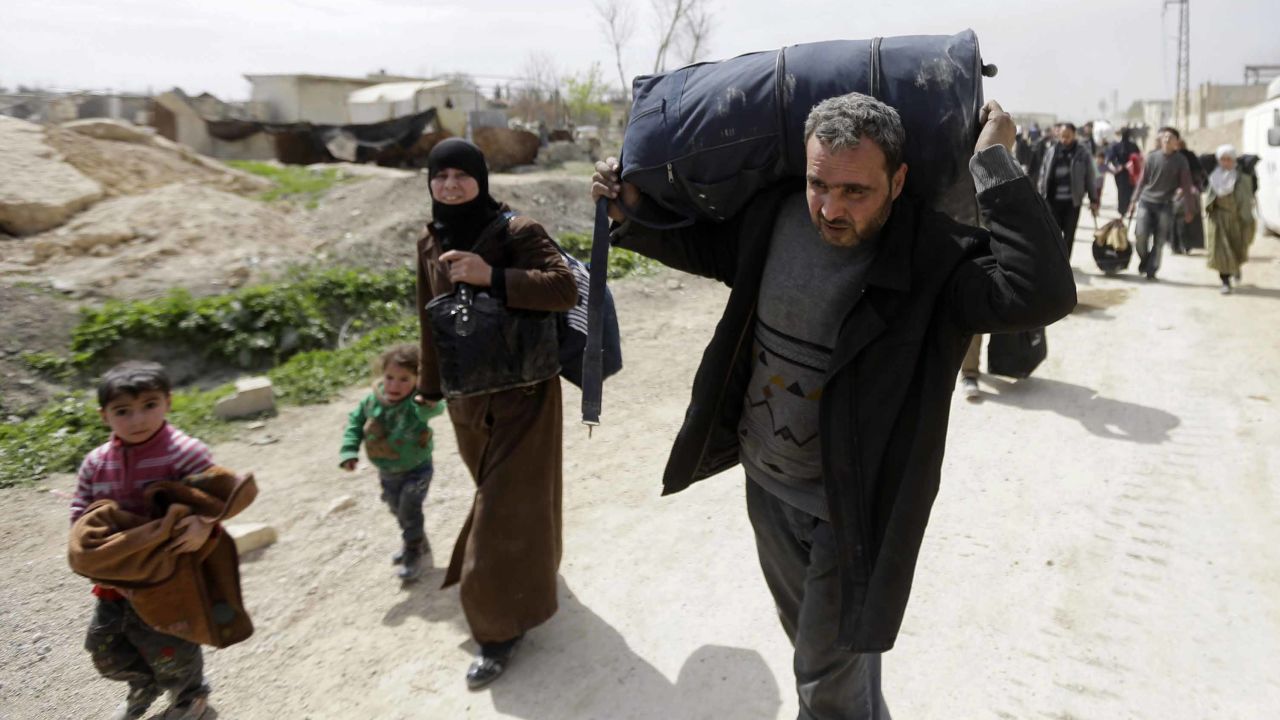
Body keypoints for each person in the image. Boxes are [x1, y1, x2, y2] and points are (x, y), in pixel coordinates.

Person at [592, 93, 1076, 719]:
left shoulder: (933, 256)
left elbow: (1041, 293)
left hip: (852, 508)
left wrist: (995, 164)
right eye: (820, 184)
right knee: (826, 658)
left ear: (898, 180)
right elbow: (708, 250)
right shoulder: (776, 215)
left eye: (856, 192)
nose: (831, 208)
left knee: (823, 681)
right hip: (766, 485)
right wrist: (631, 213)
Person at [414, 138, 578, 689]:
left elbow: (564, 288)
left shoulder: (517, 231)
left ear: (482, 178)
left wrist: (493, 276)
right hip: (467, 397)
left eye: (462, 175)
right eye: (441, 176)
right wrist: (429, 384)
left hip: (525, 393)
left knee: (500, 509)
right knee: (510, 500)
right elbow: (427, 312)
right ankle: (535, 568)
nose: (451, 185)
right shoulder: (430, 239)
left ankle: (498, 627)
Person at [70, 361, 216, 720]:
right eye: (123, 411)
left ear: (168, 402)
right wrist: (88, 550)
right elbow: (81, 511)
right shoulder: (95, 463)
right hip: (114, 582)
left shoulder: (186, 452)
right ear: (104, 416)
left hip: (166, 578)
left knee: (171, 645)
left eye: (149, 405)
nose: (138, 420)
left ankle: (189, 699)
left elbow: (216, 496)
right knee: (106, 650)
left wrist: (203, 524)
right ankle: (144, 684)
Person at [339, 344, 445, 581]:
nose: (395, 385)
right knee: (395, 508)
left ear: (418, 380)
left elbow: (435, 409)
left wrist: (427, 402)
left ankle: (412, 552)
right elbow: (355, 424)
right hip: (387, 471)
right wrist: (349, 451)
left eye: (404, 379)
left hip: (417, 470)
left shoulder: (416, 404)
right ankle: (417, 539)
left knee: (409, 508)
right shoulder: (371, 402)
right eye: (389, 377)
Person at [1132, 126, 1196, 280]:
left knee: (1159, 241)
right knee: (1140, 236)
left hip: (1165, 205)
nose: (1167, 139)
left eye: (1171, 138)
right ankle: (1145, 259)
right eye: (1164, 137)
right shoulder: (1152, 157)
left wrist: (1189, 209)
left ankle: (1152, 269)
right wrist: (1133, 200)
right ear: (1160, 140)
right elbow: (1142, 180)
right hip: (1146, 201)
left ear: (1176, 142)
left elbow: (1186, 186)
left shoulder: (1181, 160)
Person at [1035, 122, 1100, 260]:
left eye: (1068, 136)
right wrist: (1040, 196)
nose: (1065, 139)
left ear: (1074, 135)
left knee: (1069, 236)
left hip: (1072, 203)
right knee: (1053, 235)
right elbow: (1043, 174)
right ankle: (1054, 263)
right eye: (1062, 136)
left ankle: (1065, 263)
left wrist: (1093, 199)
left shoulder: (1083, 153)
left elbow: (1090, 177)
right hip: (1053, 201)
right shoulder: (1051, 151)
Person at [1204, 144, 1256, 294]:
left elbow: (1246, 199)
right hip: (1218, 219)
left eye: (1229, 159)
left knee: (1236, 249)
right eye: (1222, 159)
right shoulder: (1214, 176)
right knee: (1220, 251)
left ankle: (1235, 268)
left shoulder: (1242, 178)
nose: (1225, 162)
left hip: (1236, 220)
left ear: (1234, 160)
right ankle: (1225, 281)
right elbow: (1209, 197)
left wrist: (1246, 219)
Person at [1170, 135, 1208, 254]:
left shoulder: (1186, 156)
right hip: (1182, 192)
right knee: (1181, 219)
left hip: (1186, 192)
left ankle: (1181, 245)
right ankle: (1183, 245)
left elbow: (1198, 173)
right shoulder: (1175, 157)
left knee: (1183, 218)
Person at [1106, 128, 1142, 216]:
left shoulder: (1133, 146)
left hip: (1131, 173)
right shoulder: (1116, 146)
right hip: (1121, 173)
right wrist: (1119, 165)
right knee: (1122, 191)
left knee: (1129, 191)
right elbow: (1111, 158)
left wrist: (1131, 164)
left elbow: (1138, 157)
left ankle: (1128, 209)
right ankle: (1122, 210)